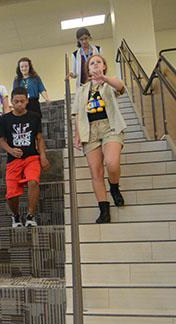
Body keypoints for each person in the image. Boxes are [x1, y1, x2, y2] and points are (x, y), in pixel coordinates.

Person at [73, 54, 126, 223]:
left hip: (110, 127)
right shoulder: (82, 90)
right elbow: (77, 113)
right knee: (96, 172)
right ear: (88, 69)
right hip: (90, 131)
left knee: (112, 162)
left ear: (104, 66)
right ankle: (104, 210)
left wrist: (105, 79)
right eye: (92, 63)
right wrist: (77, 134)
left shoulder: (110, 83)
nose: (95, 65)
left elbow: (121, 87)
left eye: (99, 62)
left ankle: (114, 187)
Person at [0, 87, 50, 228]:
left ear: (27, 101)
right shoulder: (5, 119)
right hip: (13, 159)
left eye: (22, 101)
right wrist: (11, 150)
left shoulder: (34, 117)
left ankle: (30, 215)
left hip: (31, 157)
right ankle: (15, 216)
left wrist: (43, 156)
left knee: (33, 181)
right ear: (11, 101)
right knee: (11, 193)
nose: (19, 104)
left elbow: (39, 138)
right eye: (16, 101)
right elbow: (1, 140)